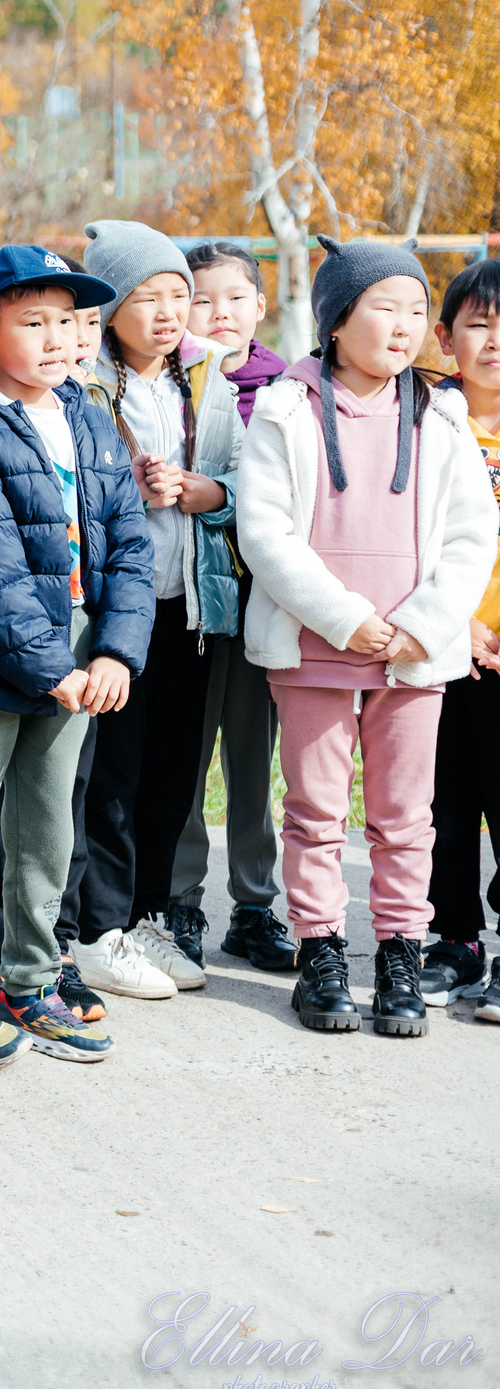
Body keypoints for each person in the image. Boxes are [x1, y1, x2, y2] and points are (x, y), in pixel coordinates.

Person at [235, 239, 500, 1036]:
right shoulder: (287, 406)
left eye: (417, 311)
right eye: (385, 307)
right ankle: (320, 949)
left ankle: (397, 951)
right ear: (336, 317)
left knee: (404, 814)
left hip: (414, 654)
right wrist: (344, 616)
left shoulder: (441, 413)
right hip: (315, 646)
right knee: (315, 809)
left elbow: (469, 535)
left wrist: (420, 625)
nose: (405, 325)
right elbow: (265, 532)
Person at [0, 246, 153, 1069]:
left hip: (84, 650)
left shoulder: (87, 415)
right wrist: (51, 666)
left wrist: (117, 648)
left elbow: (130, 542)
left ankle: (30, 976)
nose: (58, 338)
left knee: (49, 825)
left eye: (70, 321)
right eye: (33, 321)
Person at [65, 220, 244, 998]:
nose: (171, 312)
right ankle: (97, 928)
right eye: (148, 297)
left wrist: (205, 494)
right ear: (109, 307)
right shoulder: (83, 382)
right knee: (113, 771)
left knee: (175, 774)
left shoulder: (207, 381)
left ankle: (146, 918)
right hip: (116, 609)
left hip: (192, 607)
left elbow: (242, 484)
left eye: (180, 295)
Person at [171, 240, 299, 972]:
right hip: (192, 608)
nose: (220, 313)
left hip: (266, 604)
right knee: (185, 760)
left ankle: (254, 905)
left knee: (254, 761)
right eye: (201, 299)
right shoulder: (174, 382)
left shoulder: (290, 389)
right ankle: (180, 901)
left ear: (260, 304)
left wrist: (221, 492)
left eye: (235, 298)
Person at [427, 258, 500, 1008]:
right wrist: (458, 622)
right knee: (443, 803)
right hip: (446, 642)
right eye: (478, 325)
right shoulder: (427, 419)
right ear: (446, 338)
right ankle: (454, 938)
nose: (494, 341)